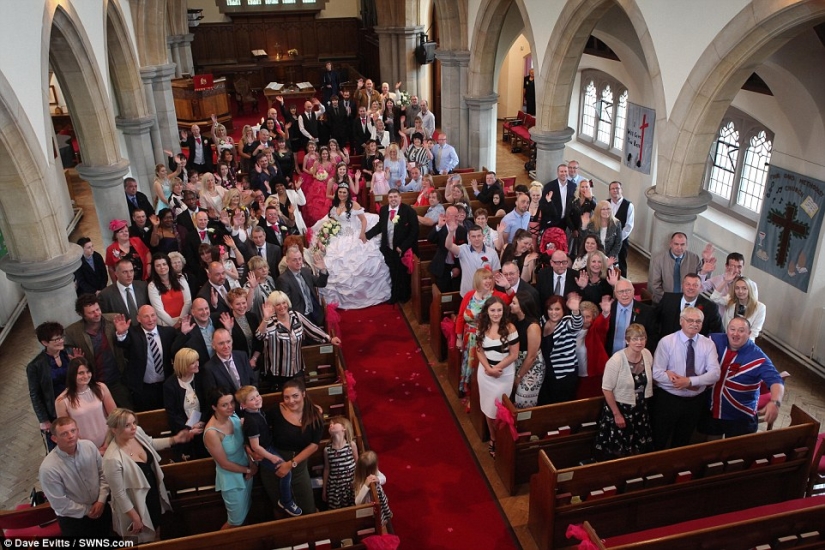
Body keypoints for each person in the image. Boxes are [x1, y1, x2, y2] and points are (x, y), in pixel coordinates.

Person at [103, 408, 195, 542]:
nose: (133, 427)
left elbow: (150, 443)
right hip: (135, 503)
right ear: (114, 429)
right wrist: (135, 517)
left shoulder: (137, 433)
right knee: (142, 540)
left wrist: (175, 439)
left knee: (156, 531)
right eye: (127, 425)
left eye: (134, 422)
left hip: (152, 492)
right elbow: (119, 494)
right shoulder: (112, 458)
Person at [310, 183, 392, 309]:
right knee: (331, 260)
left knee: (357, 263)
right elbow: (333, 222)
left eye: (344, 192)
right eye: (340, 192)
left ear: (348, 193)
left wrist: (362, 233)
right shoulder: (335, 205)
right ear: (337, 193)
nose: (342, 194)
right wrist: (327, 234)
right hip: (338, 237)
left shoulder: (353, 204)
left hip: (353, 235)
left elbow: (363, 219)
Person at [702, 317, 784, 438]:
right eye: (732, 329)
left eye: (741, 330)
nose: (735, 334)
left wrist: (775, 402)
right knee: (710, 445)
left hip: (741, 417)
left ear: (749, 333)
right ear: (727, 330)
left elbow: (776, 380)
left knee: (736, 449)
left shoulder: (758, 357)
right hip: (711, 410)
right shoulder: (713, 340)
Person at [651, 306, 721, 449]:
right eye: (690, 320)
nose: (694, 324)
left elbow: (715, 374)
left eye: (698, 321)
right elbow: (657, 373)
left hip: (695, 401)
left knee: (683, 440)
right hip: (668, 399)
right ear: (681, 321)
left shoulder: (708, 344)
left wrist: (689, 382)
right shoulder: (667, 342)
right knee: (659, 438)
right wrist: (680, 382)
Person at [39, 417, 112, 538]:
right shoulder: (48, 468)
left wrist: (101, 500)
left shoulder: (89, 446)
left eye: (73, 431)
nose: (71, 436)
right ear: (54, 439)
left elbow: (103, 473)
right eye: (64, 434)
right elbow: (60, 504)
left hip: (101, 507)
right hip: (74, 520)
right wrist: (88, 510)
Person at [260, 378, 324, 514]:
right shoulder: (276, 411)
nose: (291, 401)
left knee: (308, 507)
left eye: (295, 396)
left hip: (298, 466)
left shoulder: (315, 414)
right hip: (275, 465)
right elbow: (257, 428)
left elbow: (314, 445)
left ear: (303, 394)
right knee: (280, 508)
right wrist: (251, 449)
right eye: (286, 397)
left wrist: (290, 464)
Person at [257, 290, 341, 391]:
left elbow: (312, 329)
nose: (282, 306)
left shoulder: (296, 316)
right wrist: (266, 319)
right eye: (278, 304)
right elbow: (259, 336)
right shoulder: (271, 322)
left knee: (301, 393)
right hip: (279, 372)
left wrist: (329, 338)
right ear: (273, 307)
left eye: (284, 303)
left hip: (297, 367)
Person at [594, 323, 654, 460]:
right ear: (627, 341)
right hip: (620, 409)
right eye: (635, 339)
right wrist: (617, 414)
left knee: (637, 447)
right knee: (618, 450)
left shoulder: (647, 354)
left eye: (642, 338)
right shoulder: (616, 360)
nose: (639, 342)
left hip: (640, 409)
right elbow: (606, 389)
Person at [64, 294, 132, 408]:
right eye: (91, 312)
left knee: (127, 410)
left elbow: (128, 346)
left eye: (98, 309)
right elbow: (70, 359)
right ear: (82, 315)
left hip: (118, 380)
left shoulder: (114, 320)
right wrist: (76, 362)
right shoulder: (72, 332)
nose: (97, 314)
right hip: (93, 383)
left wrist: (122, 334)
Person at [203, 388, 257, 528]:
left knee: (246, 512)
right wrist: (248, 470)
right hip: (231, 479)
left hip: (247, 471)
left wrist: (251, 464)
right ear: (214, 407)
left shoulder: (233, 417)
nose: (231, 407)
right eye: (224, 405)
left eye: (232, 402)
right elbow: (224, 464)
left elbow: (244, 444)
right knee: (235, 522)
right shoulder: (212, 433)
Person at [455, 269, 510, 398]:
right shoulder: (469, 295)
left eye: (490, 278)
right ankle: (468, 389)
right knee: (469, 364)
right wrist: (459, 337)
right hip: (469, 337)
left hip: (486, 339)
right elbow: (460, 317)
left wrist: (507, 286)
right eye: (485, 278)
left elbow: (511, 299)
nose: (488, 281)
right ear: (478, 280)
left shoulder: (498, 296)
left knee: (481, 367)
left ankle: (479, 393)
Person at [476, 296, 519, 457]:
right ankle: (493, 438)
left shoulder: (510, 328)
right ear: (487, 311)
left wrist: (496, 369)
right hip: (485, 374)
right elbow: (479, 350)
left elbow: (514, 355)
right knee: (488, 408)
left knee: (499, 409)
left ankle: (501, 439)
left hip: (503, 374)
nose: (496, 313)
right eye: (492, 310)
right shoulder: (482, 325)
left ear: (503, 311)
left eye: (499, 310)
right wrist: (488, 368)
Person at [114, 306, 176, 412]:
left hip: (165, 386)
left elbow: (177, 348)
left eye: (153, 315)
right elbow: (123, 343)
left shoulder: (168, 332)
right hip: (143, 389)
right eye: (146, 316)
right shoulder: (132, 333)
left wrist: (184, 334)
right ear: (138, 319)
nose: (150, 319)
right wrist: (121, 334)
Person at [365, 188, 419, 304]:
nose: (393, 199)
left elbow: (414, 232)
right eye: (390, 197)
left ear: (400, 198)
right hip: (388, 248)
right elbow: (380, 226)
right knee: (393, 272)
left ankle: (404, 296)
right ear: (388, 199)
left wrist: (403, 247)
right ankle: (394, 296)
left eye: (395, 197)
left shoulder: (409, 211)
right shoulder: (384, 210)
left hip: (402, 249)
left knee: (402, 274)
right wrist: (366, 236)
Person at [28, 322, 74, 451]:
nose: (61, 341)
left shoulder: (69, 351)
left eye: (61, 337)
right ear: (44, 342)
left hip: (74, 403)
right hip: (55, 410)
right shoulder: (36, 365)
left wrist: (78, 362)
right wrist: (43, 419)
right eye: (56, 339)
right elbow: (35, 394)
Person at [54, 357, 116, 451]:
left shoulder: (101, 388)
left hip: (110, 441)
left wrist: (108, 442)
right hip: (84, 448)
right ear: (72, 375)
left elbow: (114, 416)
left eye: (88, 372)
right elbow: (66, 429)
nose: (86, 376)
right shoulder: (62, 401)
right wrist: (89, 449)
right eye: (81, 373)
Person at [654, 272, 723, 346]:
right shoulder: (668, 299)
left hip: (695, 347)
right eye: (688, 284)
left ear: (700, 287)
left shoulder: (710, 307)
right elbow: (654, 322)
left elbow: (718, 332)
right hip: (667, 345)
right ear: (682, 285)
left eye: (695, 285)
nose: (691, 288)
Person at [162, 347, 207, 459]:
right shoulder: (170, 385)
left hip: (204, 426)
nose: (197, 364)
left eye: (197, 360)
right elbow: (172, 413)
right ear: (183, 365)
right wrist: (189, 428)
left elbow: (208, 404)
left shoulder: (201, 377)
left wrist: (202, 422)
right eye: (193, 363)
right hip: (184, 431)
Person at [539, 294, 584, 404]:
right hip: (546, 372)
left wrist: (576, 311)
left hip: (564, 374)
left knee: (562, 405)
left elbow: (577, 324)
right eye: (550, 309)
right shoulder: (543, 320)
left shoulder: (567, 322)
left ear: (563, 310)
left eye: (557, 309)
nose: (553, 312)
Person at [276, 245, 329, 325]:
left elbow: (321, 283)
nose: (298, 262)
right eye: (294, 260)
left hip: (315, 314)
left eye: (300, 259)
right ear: (287, 261)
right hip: (300, 319)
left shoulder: (306, 271)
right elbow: (286, 305)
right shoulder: (283, 280)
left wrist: (323, 269)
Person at [648, 232, 708, 303]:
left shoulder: (694, 258)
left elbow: (702, 281)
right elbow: (655, 285)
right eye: (676, 244)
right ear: (671, 244)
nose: (679, 248)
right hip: (664, 300)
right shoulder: (659, 259)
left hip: (687, 300)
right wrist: (669, 300)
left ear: (686, 245)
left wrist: (707, 262)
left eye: (682, 244)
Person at [510, 290, 546, 408]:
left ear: (522, 306)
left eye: (514, 303)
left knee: (524, 400)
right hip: (518, 362)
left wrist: (519, 376)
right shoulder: (515, 320)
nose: (510, 305)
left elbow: (531, 356)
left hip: (531, 366)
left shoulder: (533, 326)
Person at [604, 278, 655, 356]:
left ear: (634, 291)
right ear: (615, 293)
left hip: (635, 356)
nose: (625, 294)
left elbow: (652, 337)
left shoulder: (647, 311)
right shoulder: (609, 309)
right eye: (621, 291)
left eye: (628, 291)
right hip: (608, 355)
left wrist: (640, 355)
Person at [98, 259, 150, 324]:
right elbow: (105, 319)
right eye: (125, 272)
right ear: (116, 274)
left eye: (131, 271)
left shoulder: (143, 286)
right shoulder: (105, 295)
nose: (129, 275)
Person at [147, 253, 191, 328]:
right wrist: (174, 324)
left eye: (164, 264)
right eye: (158, 265)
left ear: (169, 265)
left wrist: (180, 321)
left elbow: (188, 302)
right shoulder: (152, 286)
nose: (162, 267)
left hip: (184, 321)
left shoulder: (181, 279)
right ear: (154, 268)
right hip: (165, 325)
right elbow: (159, 310)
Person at [323, 416, 358, 509]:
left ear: (344, 428)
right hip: (335, 487)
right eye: (330, 424)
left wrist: (358, 481)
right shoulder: (327, 450)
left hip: (350, 484)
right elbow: (327, 469)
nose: (331, 425)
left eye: (334, 423)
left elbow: (357, 464)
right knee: (337, 510)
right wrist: (324, 489)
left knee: (353, 508)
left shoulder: (351, 445)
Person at [353, 450, 393, 526]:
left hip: (379, 501)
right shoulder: (360, 482)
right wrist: (365, 486)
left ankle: (382, 521)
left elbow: (384, 479)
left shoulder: (375, 473)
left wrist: (378, 479)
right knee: (371, 521)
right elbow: (357, 502)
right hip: (368, 508)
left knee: (381, 514)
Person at [539, 164, 577, 232]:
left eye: (565, 171)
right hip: (552, 222)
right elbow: (543, 204)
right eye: (561, 171)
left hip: (565, 223)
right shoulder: (549, 186)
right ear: (557, 173)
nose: (564, 173)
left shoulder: (573, 186)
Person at [583, 200, 622, 265]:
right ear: (598, 211)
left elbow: (618, 244)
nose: (606, 211)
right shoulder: (591, 224)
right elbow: (585, 241)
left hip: (610, 258)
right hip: (593, 258)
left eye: (608, 209)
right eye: (603, 209)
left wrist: (607, 259)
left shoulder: (616, 224)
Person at [609, 181, 634, 277]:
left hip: (622, 240)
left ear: (621, 190)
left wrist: (618, 239)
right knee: (609, 261)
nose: (615, 190)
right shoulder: (606, 203)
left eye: (617, 188)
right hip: (607, 240)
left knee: (622, 262)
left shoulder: (628, 205)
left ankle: (623, 281)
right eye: (613, 188)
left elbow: (629, 226)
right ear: (610, 191)